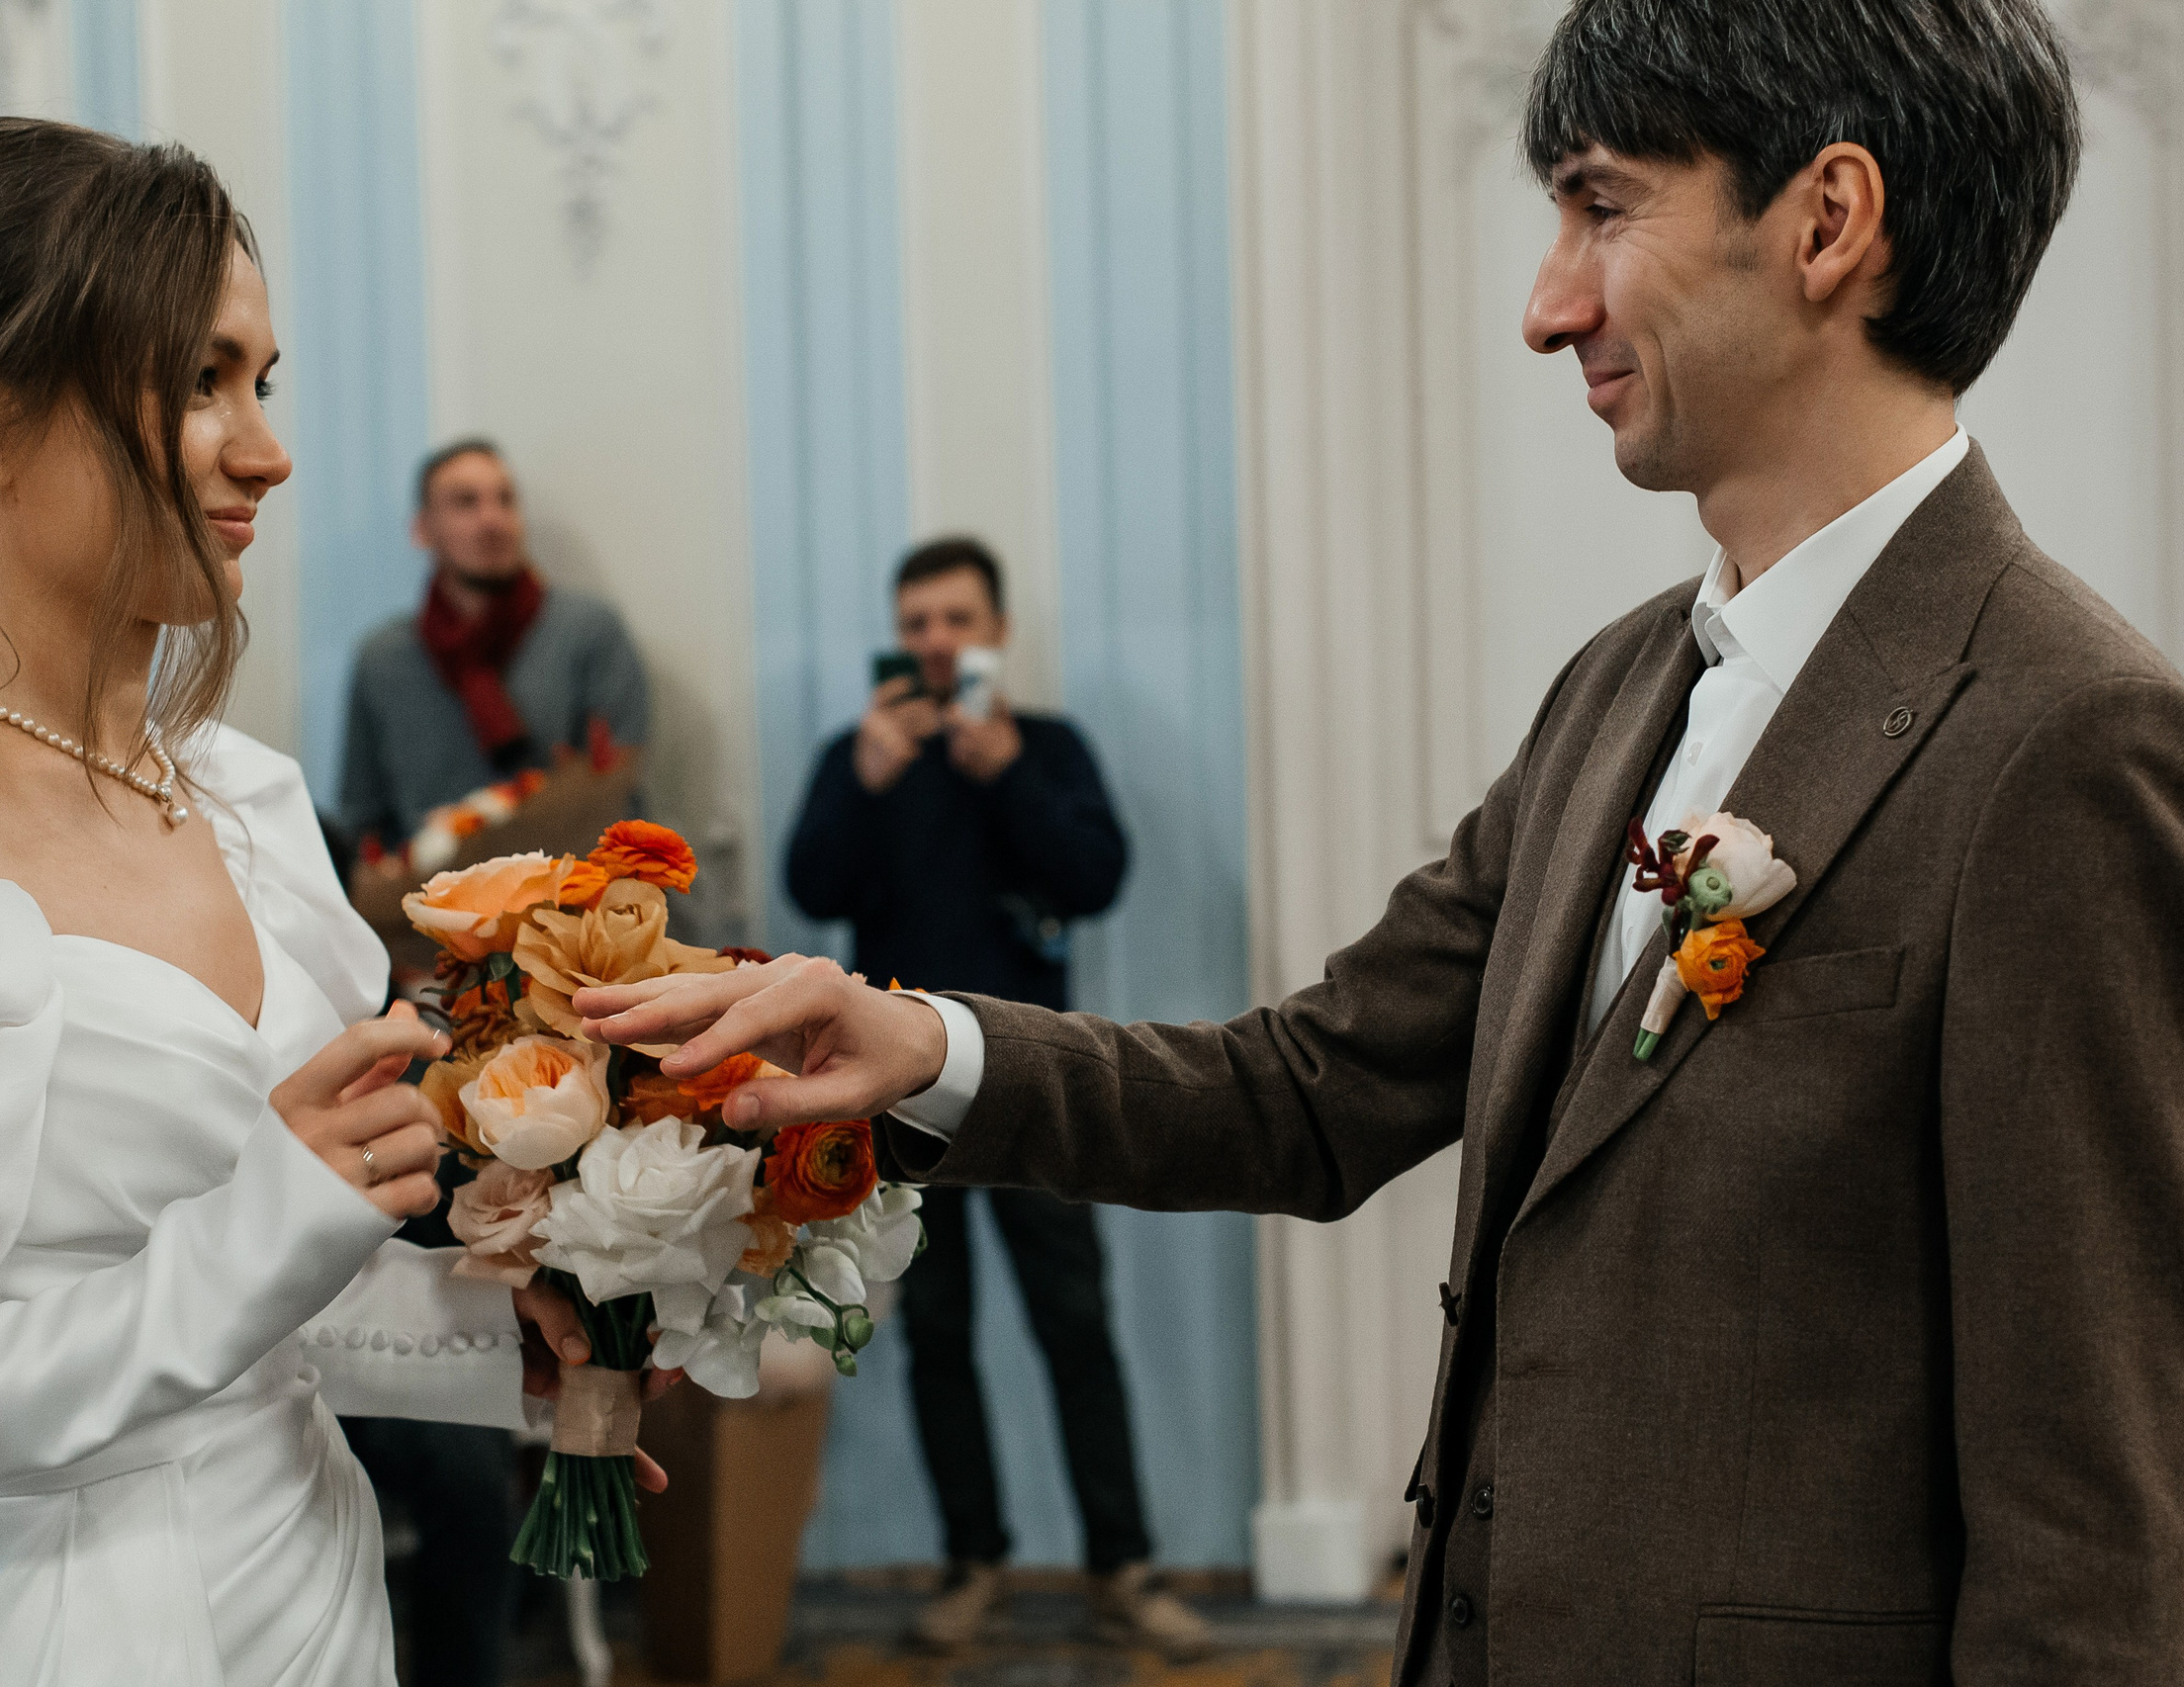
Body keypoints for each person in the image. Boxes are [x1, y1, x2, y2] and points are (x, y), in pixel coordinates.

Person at [576, 3, 2184, 1682]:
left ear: (1827, 220)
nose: (1547, 304)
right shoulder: (1619, 688)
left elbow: (2095, 1502)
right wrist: (923, 1045)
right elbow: (1310, 1091)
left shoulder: (2070, 742)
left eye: (1602, 206)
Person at [0, 120, 674, 1684]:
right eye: (196, 380)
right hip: (37, 1620)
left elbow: (252, 1299)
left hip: (306, 1585)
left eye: (264, 382)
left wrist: (488, 1340)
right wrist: (241, 1247)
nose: (263, 447)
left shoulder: (247, 804)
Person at [785, 539, 1205, 1657]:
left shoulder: (1046, 746)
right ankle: (974, 1561)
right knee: (939, 1334)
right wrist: (867, 784)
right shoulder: (859, 754)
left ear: (996, 629)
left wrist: (1008, 768)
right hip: (896, 1096)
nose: (934, 640)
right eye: (915, 621)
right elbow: (809, 885)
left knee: (1076, 1322)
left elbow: (1097, 877)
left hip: (1039, 1084)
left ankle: (1122, 1565)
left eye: (955, 618)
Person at [337, 438, 649, 852]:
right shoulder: (382, 660)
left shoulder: (589, 631)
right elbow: (364, 821)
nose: (492, 520)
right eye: (466, 502)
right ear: (422, 530)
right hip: (431, 905)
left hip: (571, 898)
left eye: (505, 500)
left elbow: (615, 787)